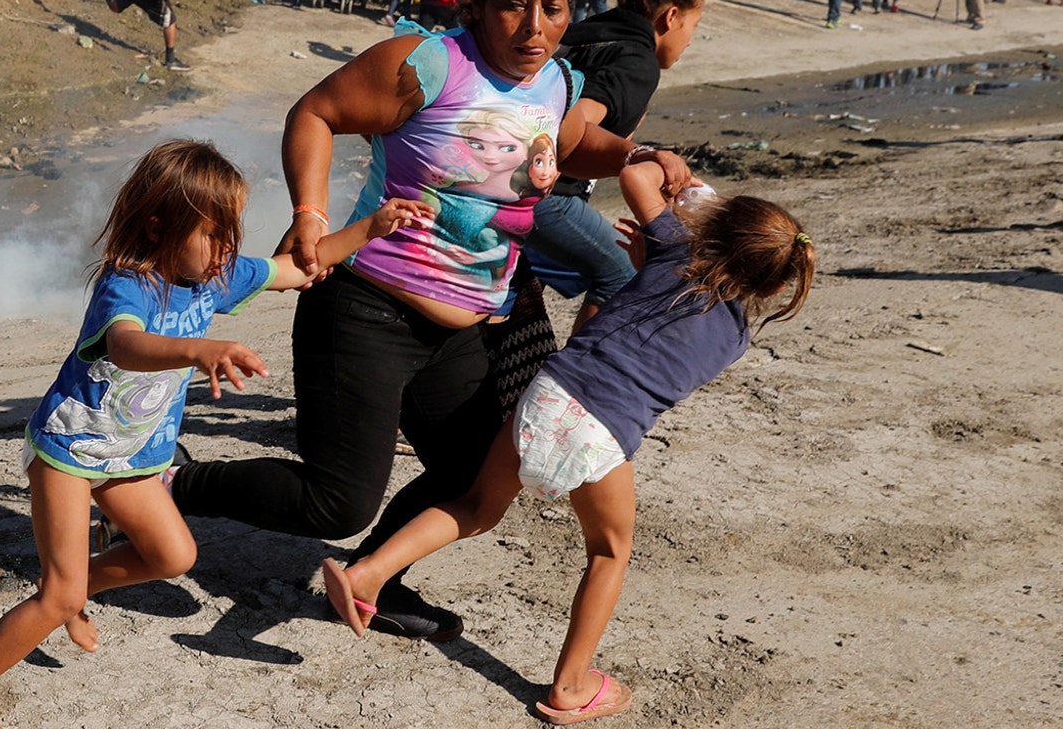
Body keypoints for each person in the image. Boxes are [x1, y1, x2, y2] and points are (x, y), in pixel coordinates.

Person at [168, 0, 691, 642]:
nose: (533, 26)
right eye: (513, 3)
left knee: (478, 477)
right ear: (477, 2)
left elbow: (568, 146)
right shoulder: (429, 64)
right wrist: (311, 214)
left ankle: (375, 579)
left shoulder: (557, 81)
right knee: (334, 503)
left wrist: (637, 151)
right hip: (365, 308)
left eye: (553, 7)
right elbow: (316, 113)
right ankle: (173, 484)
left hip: (467, 326)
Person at [0, 139, 434, 729]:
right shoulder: (128, 285)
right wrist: (197, 348)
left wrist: (370, 228)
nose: (228, 250)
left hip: (133, 455)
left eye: (232, 235)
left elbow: (299, 267)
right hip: (70, 451)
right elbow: (126, 344)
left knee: (173, 554)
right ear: (156, 227)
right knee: (59, 595)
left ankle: (69, 591)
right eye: (212, 235)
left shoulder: (215, 279)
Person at [322, 171, 813, 725]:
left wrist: (683, 190)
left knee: (477, 509)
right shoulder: (734, 336)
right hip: (603, 431)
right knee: (608, 552)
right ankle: (570, 687)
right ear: (775, 288)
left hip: (548, 393)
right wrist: (669, 245)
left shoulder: (673, 250)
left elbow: (637, 175)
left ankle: (367, 574)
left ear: (714, 226)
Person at [526, 0, 704, 334]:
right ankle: (575, 377)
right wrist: (640, 155)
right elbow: (570, 125)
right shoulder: (638, 62)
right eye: (693, 27)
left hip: (497, 171)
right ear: (670, 17)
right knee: (623, 275)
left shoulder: (591, 31)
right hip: (542, 192)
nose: (690, 40)